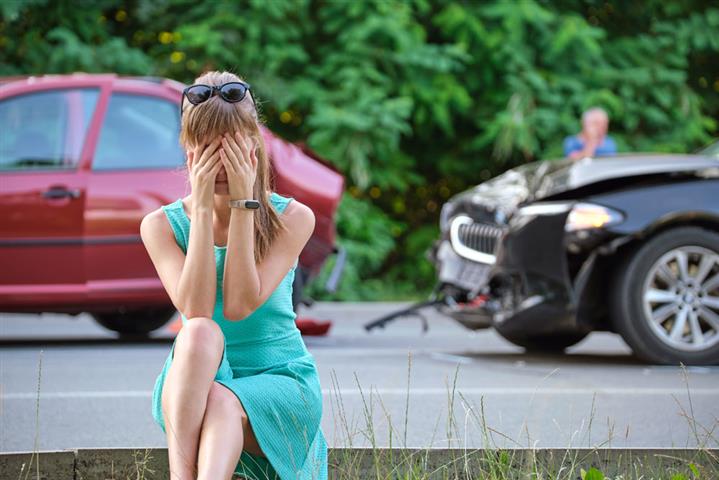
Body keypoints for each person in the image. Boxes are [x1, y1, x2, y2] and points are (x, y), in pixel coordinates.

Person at [140, 70, 327, 480]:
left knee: (226, 400)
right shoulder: (160, 225)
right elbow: (197, 307)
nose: (221, 162)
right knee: (198, 332)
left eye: (230, 147)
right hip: (192, 386)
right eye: (207, 148)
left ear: (253, 148)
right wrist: (203, 212)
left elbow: (240, 305)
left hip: (280, 381)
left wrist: (244, 206)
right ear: (188, 151)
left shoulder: (293, 218)